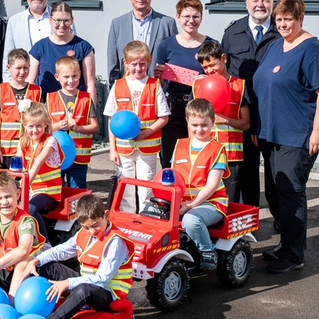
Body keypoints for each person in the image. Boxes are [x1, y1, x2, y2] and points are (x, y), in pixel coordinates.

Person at [252, 0, 319, 273]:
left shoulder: (312, 50)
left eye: (289, 18)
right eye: (279, 19)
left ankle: (294, 254)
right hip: (270, 134)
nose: (284, 23)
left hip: (296, 134)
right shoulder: (276, 45)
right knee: (276, 193)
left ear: (301, 18)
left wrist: (318, 131)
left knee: (290, 192)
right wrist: (257, 128)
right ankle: (286, 244)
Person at [10, 195, 135, 319]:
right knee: (47, 266)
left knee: (83, 290)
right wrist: (35, 261)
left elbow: (102, 279)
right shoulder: (83, 233)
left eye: (95, 226)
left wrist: (67, 283)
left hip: (109, 293)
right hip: (87, 282)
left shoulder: (115, 242)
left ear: (106, 215)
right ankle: (23, 309)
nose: (91, 232)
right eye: (86, 227)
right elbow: (61, 251)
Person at [221, 0, 280, 207]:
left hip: (272, 112)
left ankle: (281, 218)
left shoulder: (281, 32)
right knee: (244, 171)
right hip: (241, 113)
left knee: (275, 173)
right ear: (246, 3)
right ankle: (247, 217)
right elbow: (223, 71)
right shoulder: (232, 32)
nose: (260, 5)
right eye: (255, 0)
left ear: (272, 4)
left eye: (265, 1)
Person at [104, 41, 170, 213]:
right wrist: (112, 149)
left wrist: (145, 133)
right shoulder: (118, 86)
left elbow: (164, 117)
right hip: (123, 148)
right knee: (126, 188)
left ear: (148, 62)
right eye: (134, 64)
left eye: (142, 63)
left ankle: (146, 219)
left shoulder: (154, 85)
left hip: (147, 149)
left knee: (146, 187)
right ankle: (128, 221)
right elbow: (112, 119)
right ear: (126, 63)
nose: (138, 68)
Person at [154, 0, 218, 168]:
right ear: (178, 17)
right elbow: (158, 87)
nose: (191, 21)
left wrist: (205, 81)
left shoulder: (211, 44)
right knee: (170, 155)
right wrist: (158, 77)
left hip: (200, 107)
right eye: (186, 16)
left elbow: (219, 78)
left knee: (199, 155)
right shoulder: (166, 46)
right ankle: (172, 191)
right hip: (173, 107)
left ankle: (196, 191)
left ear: (201, 18)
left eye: (195, 16)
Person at [170, 99, 229, 271]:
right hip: (184, 202)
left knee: (190, 220)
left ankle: (208, 251)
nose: (199, 129)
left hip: (211, 204)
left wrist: (190, 205)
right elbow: (171, 176)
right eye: (194, 124)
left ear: (213, 122)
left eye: (204, 125)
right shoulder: (179, 145)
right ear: (187, 120)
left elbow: (212, 185)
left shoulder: (217, 149)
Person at [194, 41, 250, 204]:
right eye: (205, 68)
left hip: (231, 157)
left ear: (223, 58)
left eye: (212, 65)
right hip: (205, 154)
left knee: (230, 200)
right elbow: (191, 122)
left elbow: (246, 124)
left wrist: (224, 119)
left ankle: (230, 230)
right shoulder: (198, 86)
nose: (210, 70)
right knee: (205, 199)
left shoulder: (239, 86)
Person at [2, 0, 76, 81]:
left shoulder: (63, 19)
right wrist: (9, 86)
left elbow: (73, 51)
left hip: (57, 83)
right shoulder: (14, 21)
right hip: (25, 84)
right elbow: (8, 57)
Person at [107, 0, 178, 82]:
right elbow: (113, 62)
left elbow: (174, 60)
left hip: (157, 88)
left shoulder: (167, 23)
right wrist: (115, 88)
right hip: (127, 90)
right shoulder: (117, 24)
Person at [28, 2, 97, 105]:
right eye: (58, 20)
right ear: (50, 20)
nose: (62, 25)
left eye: (66, 21)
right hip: (47, 108)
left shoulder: (83, 47)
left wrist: (91, 113)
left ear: (72, 21)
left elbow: (90, 84)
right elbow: (30, 84)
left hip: (77, 108)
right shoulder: (39, 47)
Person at [47, 56, 99, 188]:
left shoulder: (86, 99)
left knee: (77, 194)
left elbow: (94, 127)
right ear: (57, 77)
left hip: (79, 158)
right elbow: (44, 129)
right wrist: (58, 125)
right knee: (55, 193)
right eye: (66, 77)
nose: (71, 80)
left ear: (80, 75)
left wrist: (78, 128)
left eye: (74, 76)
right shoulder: (50, 98)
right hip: (56, 156)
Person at [16, 103, 63, 246]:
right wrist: (11, 185)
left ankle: (46, 244)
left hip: (48, 192)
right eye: (31, 126)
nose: (35, 130)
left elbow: (36, 166)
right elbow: (16, 166)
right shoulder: (23, 141)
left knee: (30, 208)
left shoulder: (50, 141)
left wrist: (21, 189)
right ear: (24, 125)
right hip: (30, 189)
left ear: (46, 124)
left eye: (39, 126)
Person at [0, 49, 43, 168]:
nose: (22, 72)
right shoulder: (1, 90)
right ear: (9, 67)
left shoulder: (37, 91)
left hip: (29, 149)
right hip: (6, 151)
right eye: (18, 68)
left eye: (26, 68)